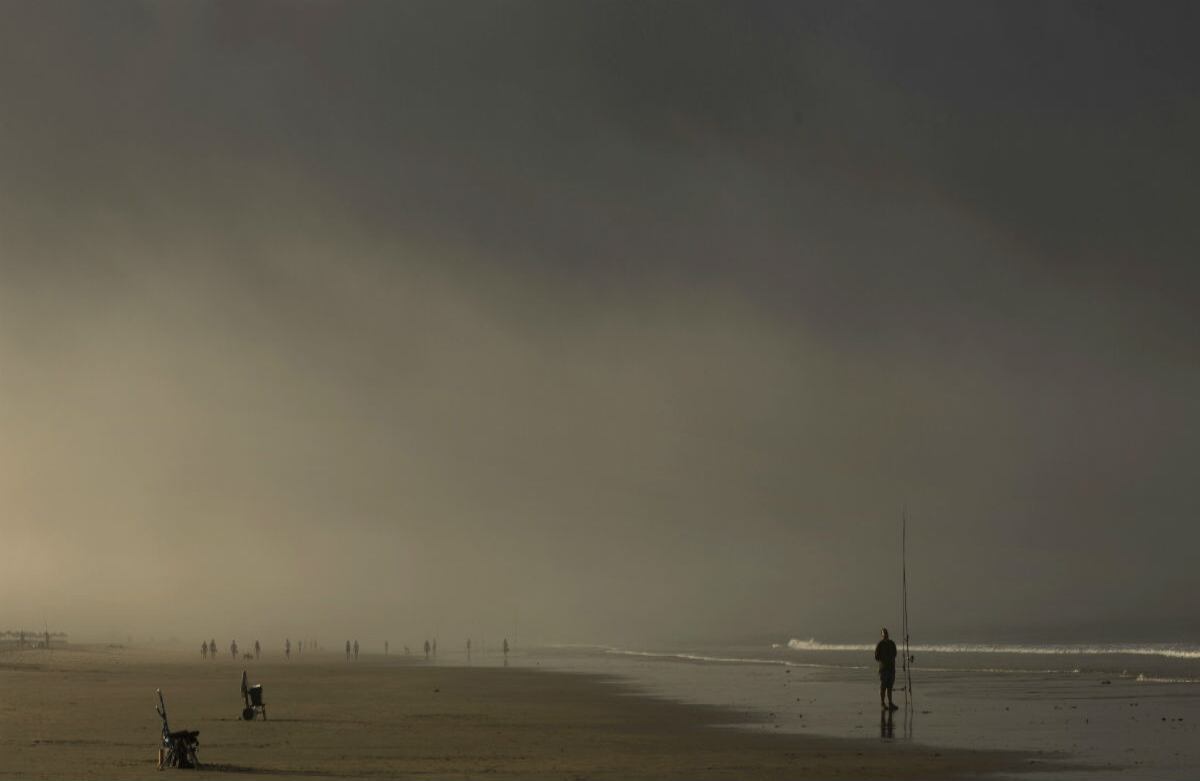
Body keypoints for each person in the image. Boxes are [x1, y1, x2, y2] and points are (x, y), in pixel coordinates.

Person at [875, 627, 898, 711]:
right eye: (883, 633)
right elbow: (876, 657)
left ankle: (890, 703)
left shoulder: (892, 643)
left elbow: (895, 654)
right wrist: (884, 660)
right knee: (883, 687)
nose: (885, 635)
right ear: (881, 635)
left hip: (891, 668)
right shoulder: (880, 644)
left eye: (886, 633)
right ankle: (882, 703)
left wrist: (890, 659)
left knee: (890, 687)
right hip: (883, 669)